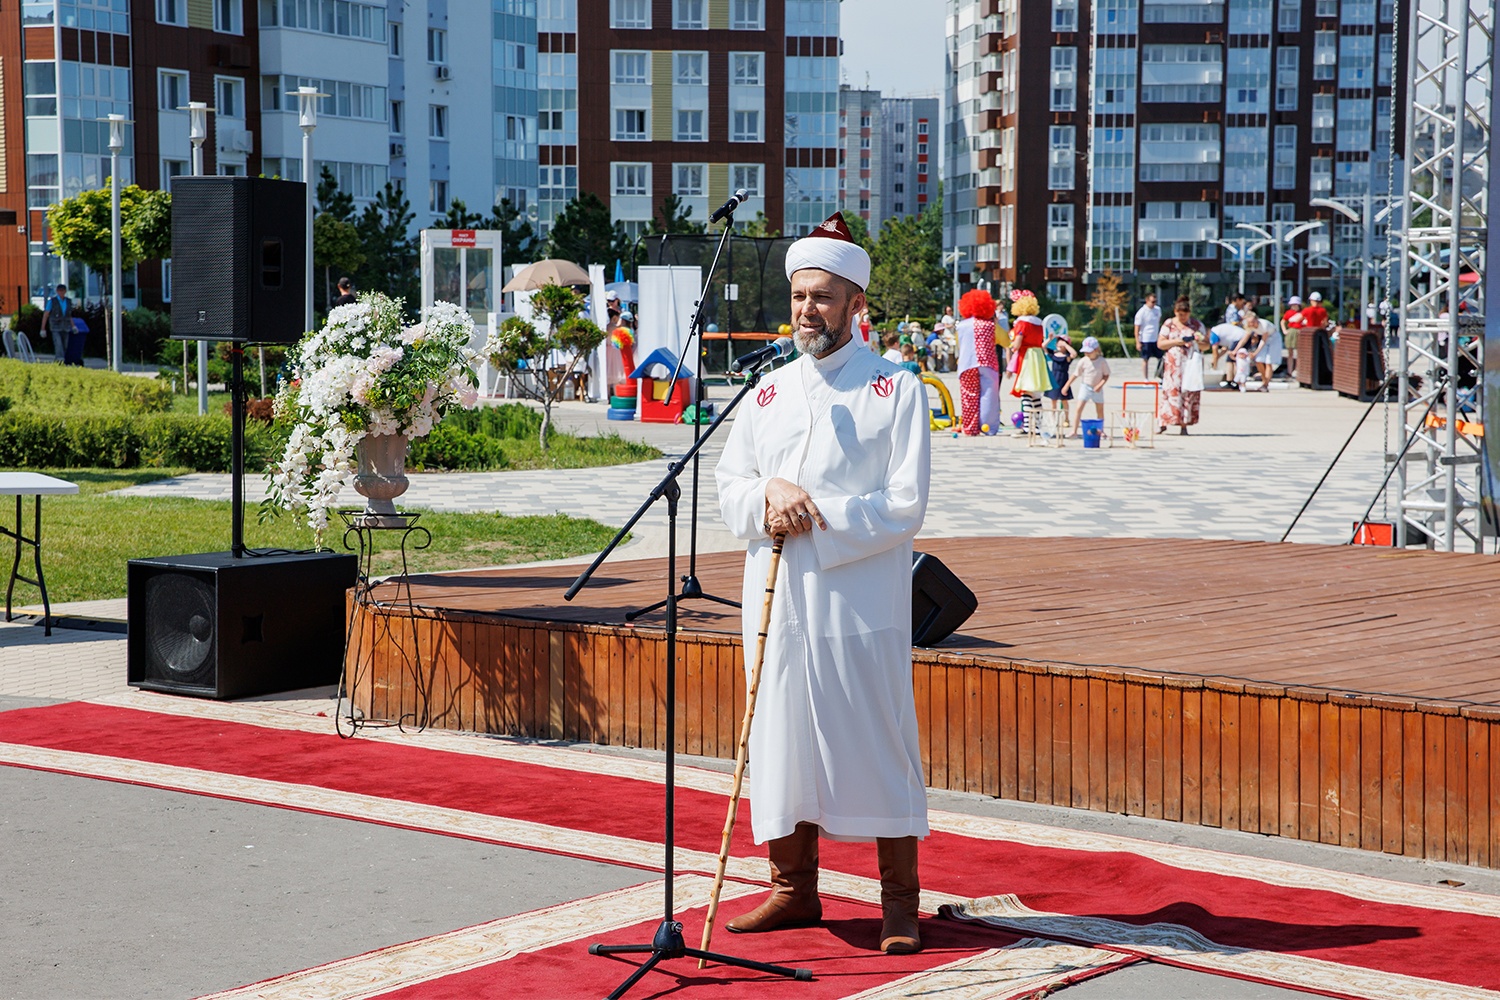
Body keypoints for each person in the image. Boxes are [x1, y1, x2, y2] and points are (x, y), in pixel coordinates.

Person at [715, 210, 931, 956]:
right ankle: (792, 887)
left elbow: (905, 505)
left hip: (856, 599)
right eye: (800, 296)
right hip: (774, 596)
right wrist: (767, 494)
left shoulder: (896, 390)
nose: (808, 310)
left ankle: (899, 903)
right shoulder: (767, 391)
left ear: (855, 305)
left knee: (875, 738)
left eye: (824, 297)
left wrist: (816, 512)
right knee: (778, 737)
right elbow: (729, 486)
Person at [1157, 296, 1205, 435]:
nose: (1182, 317)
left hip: (1190, 364)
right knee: (1170, 392)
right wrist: (1177, 341)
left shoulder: (1196, 325)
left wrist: (1197, 340)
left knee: (1188, 392)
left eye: (1184, 315)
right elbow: (1160, 343)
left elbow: (1206, 345)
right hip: (1173, 366)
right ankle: (1164, 422)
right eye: (1179, 315)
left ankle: (1184, 424)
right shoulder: (1169, 324)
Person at [956, 289, 1001, 436]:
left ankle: (970, 428)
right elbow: (1006, 341)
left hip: (966, 363)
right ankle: (988, 427)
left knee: (969, 396)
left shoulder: (961, 326)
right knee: (989, 395)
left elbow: (958, 344)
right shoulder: (990, 325)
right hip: (987, 362)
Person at [1007, 290, 1052, 433]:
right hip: (1038, 356)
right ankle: (1038, 426)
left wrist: (1011, 344)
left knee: (1026, 393)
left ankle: (1027, 427)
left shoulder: (1021, 323)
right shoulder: (1038, 323)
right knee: (1036, 395)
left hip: (1027, 357)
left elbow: (1018, 343)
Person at [1065, 336, 1110, 434]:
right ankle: (1074, 431)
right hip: (1085, 387)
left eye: (1089, 352)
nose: (1087, 354)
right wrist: (1067, 385)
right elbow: (1076, 374)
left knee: (1100, 410)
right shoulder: (1083, 361)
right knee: (1078, 408)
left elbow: (1106, 375)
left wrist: (1100, 385)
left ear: (1096, 350)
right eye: (1085, 352)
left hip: (1097, 388)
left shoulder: (1102, 361)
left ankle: (1101, 431)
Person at [1042, 323, 1077, 432]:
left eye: (1061, 342)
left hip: (1063, 379)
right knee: (1053, 401)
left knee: (1064, 401)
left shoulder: (1066, 357)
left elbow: (1074, 354)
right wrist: (1049, 339)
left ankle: (1066, 419)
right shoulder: (1053, 354)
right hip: (1054, 378)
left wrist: (1066, 345)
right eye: (1058, 342)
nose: (1058, 343)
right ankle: (1053, 420)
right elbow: (1043, 346)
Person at [1133, 291, 1162, 380]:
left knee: (1161, 359)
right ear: (1147, 301)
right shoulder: (1142, 312)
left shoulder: (1157, 310)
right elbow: (1137, 328)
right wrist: (1138, 342)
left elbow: (1158, 322)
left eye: (1155, 302)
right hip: (1145, 339)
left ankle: (1161, 376)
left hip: (1156, 339)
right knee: (1145, 359)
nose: (1154, 304)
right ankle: (1146, 379)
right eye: (1152, 302)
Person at [43, 283, 72, 363]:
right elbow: (46, 314)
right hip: (55, 326)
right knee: (58, 343)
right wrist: (43, 328)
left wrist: (73, 326)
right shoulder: (52, 301)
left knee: (65, 345)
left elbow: (69, 315)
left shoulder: (68, 301)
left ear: (65, 291)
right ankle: (60, 360)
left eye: (62, 291)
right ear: (57, 291)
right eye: (59, 291)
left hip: (66, 326)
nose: (61, 292)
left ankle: (58, 359)